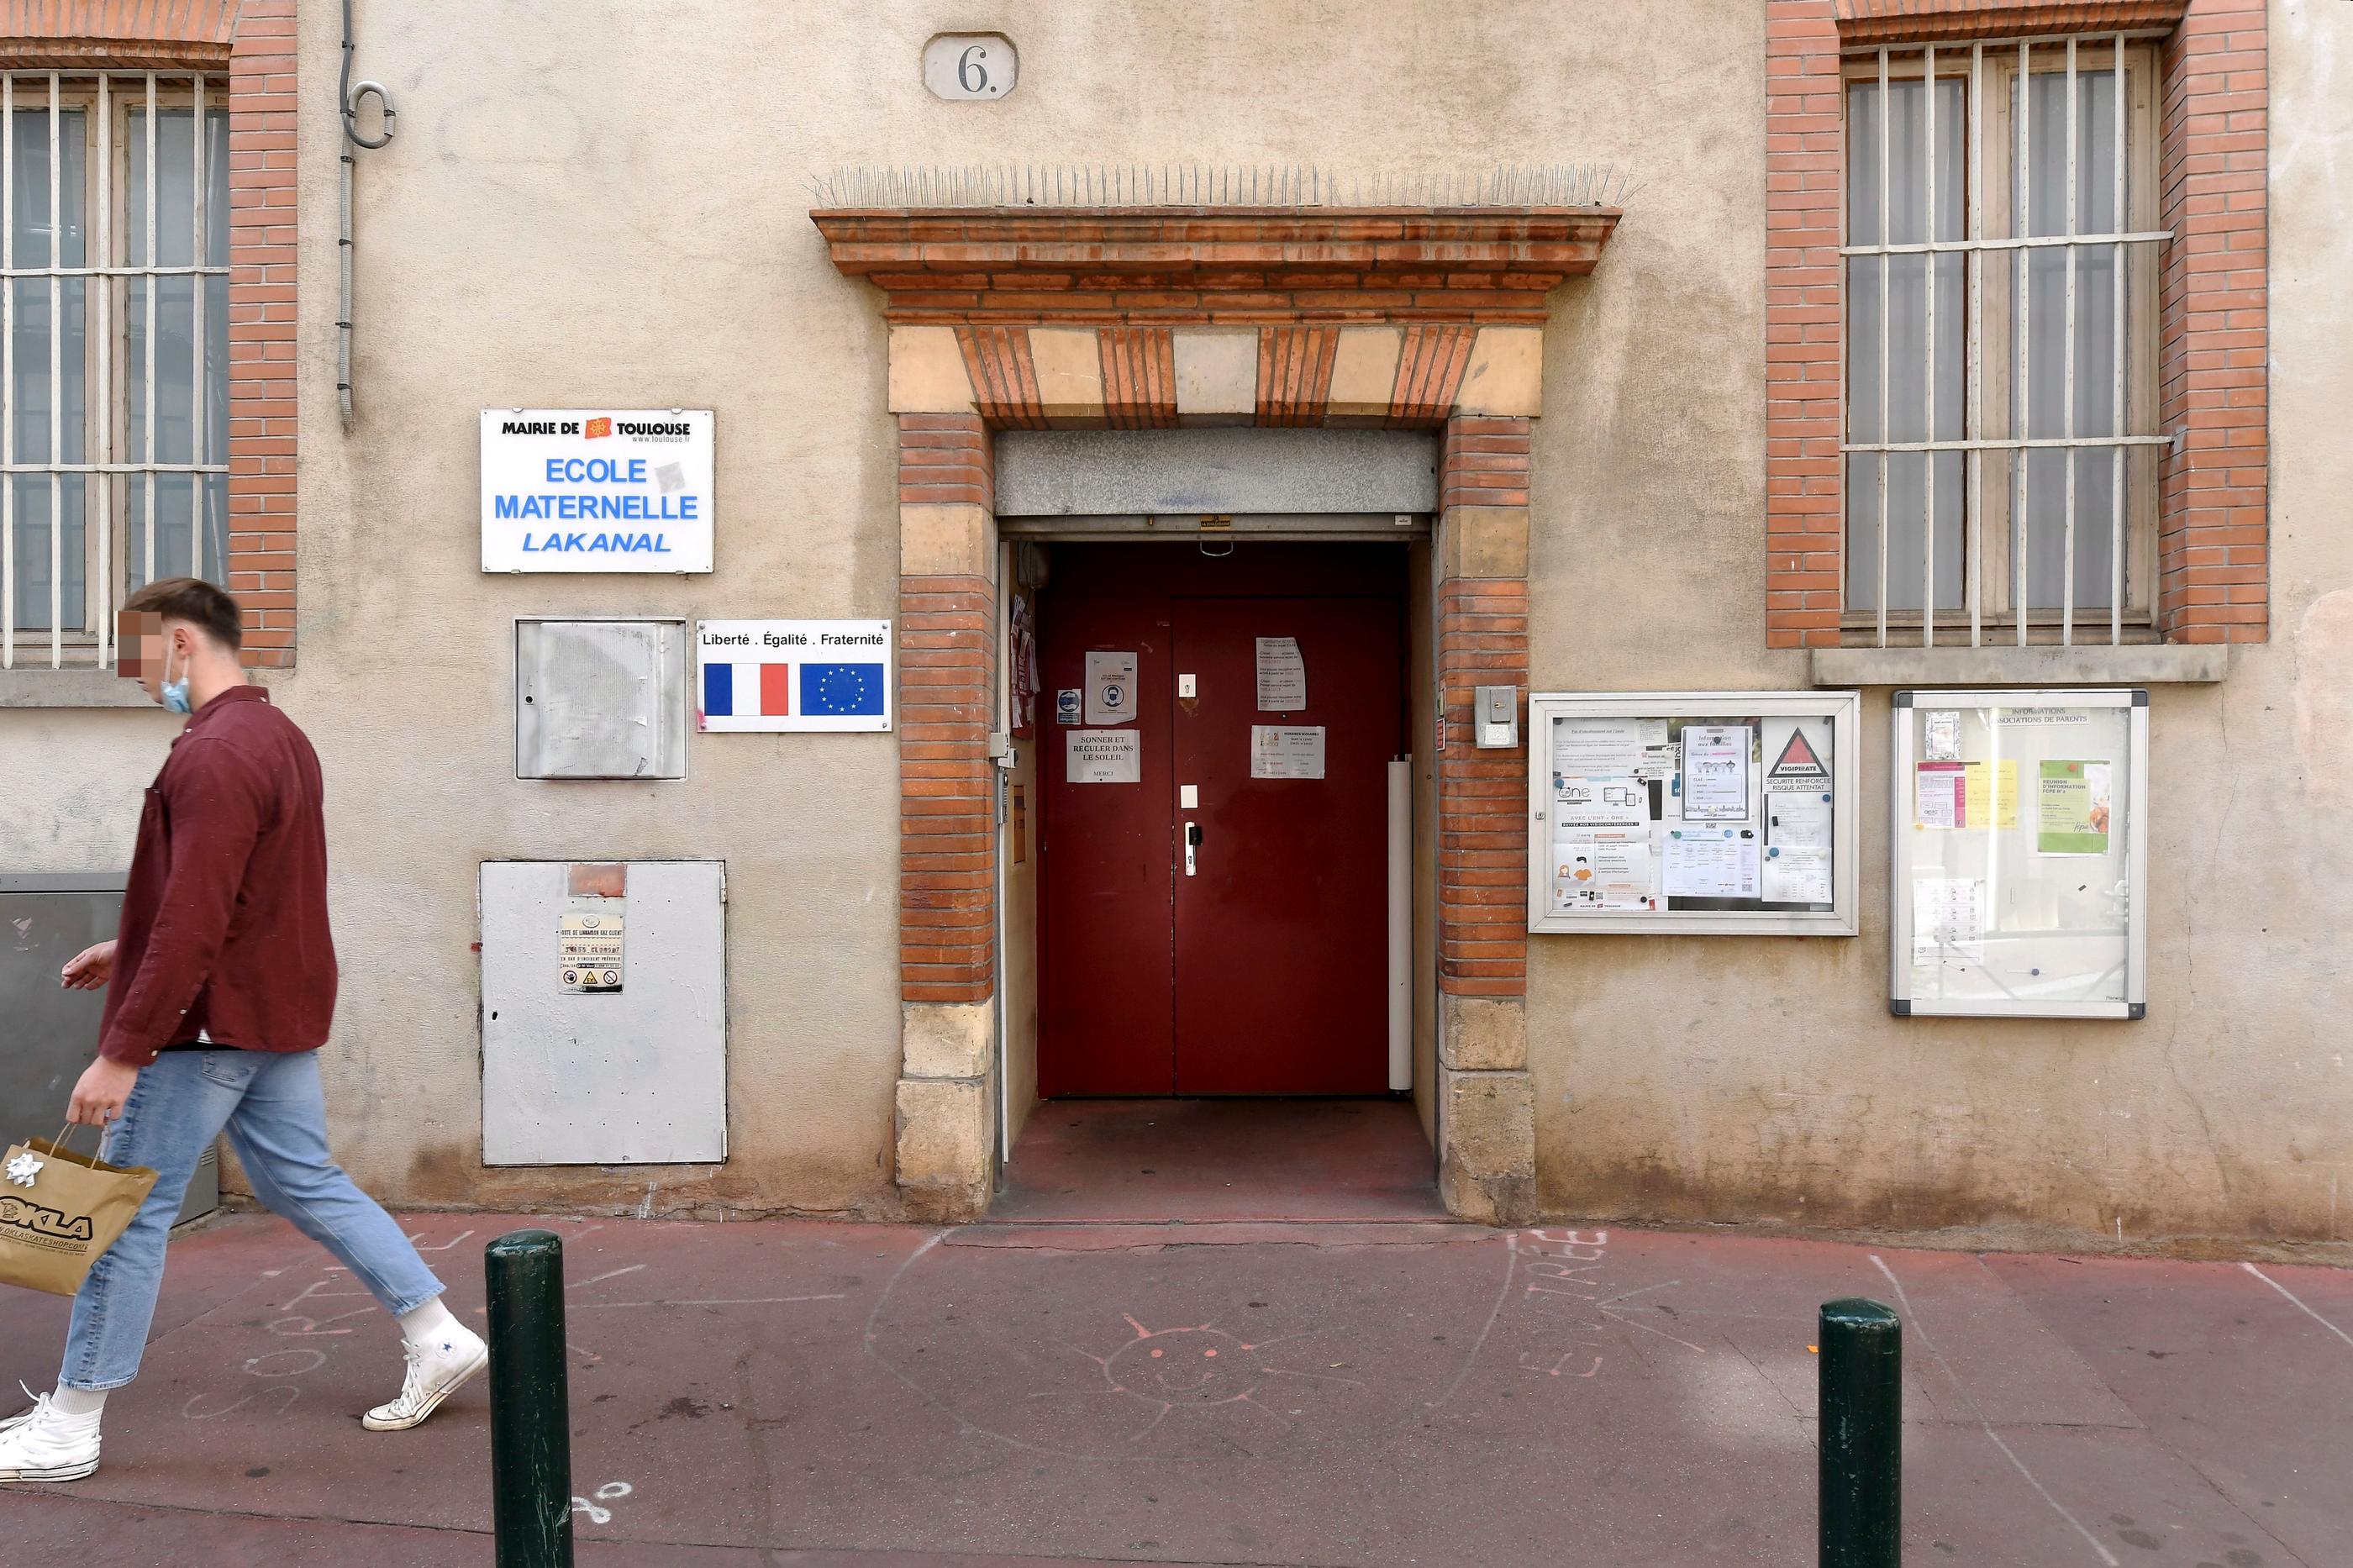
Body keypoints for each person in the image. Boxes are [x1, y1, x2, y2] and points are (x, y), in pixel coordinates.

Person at [0, 579, 486, 1485]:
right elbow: (233, 898)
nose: (137, 682)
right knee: (304, 1180)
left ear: (180, 642)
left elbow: (199, 916)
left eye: (139, 661)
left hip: (207, 1029)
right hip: (269, 1013)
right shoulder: (279, 738)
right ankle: (438, 1333)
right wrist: (130, 942)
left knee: (125, 1219)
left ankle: (70, 1422)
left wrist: (122, 1050)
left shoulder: (214, 753)